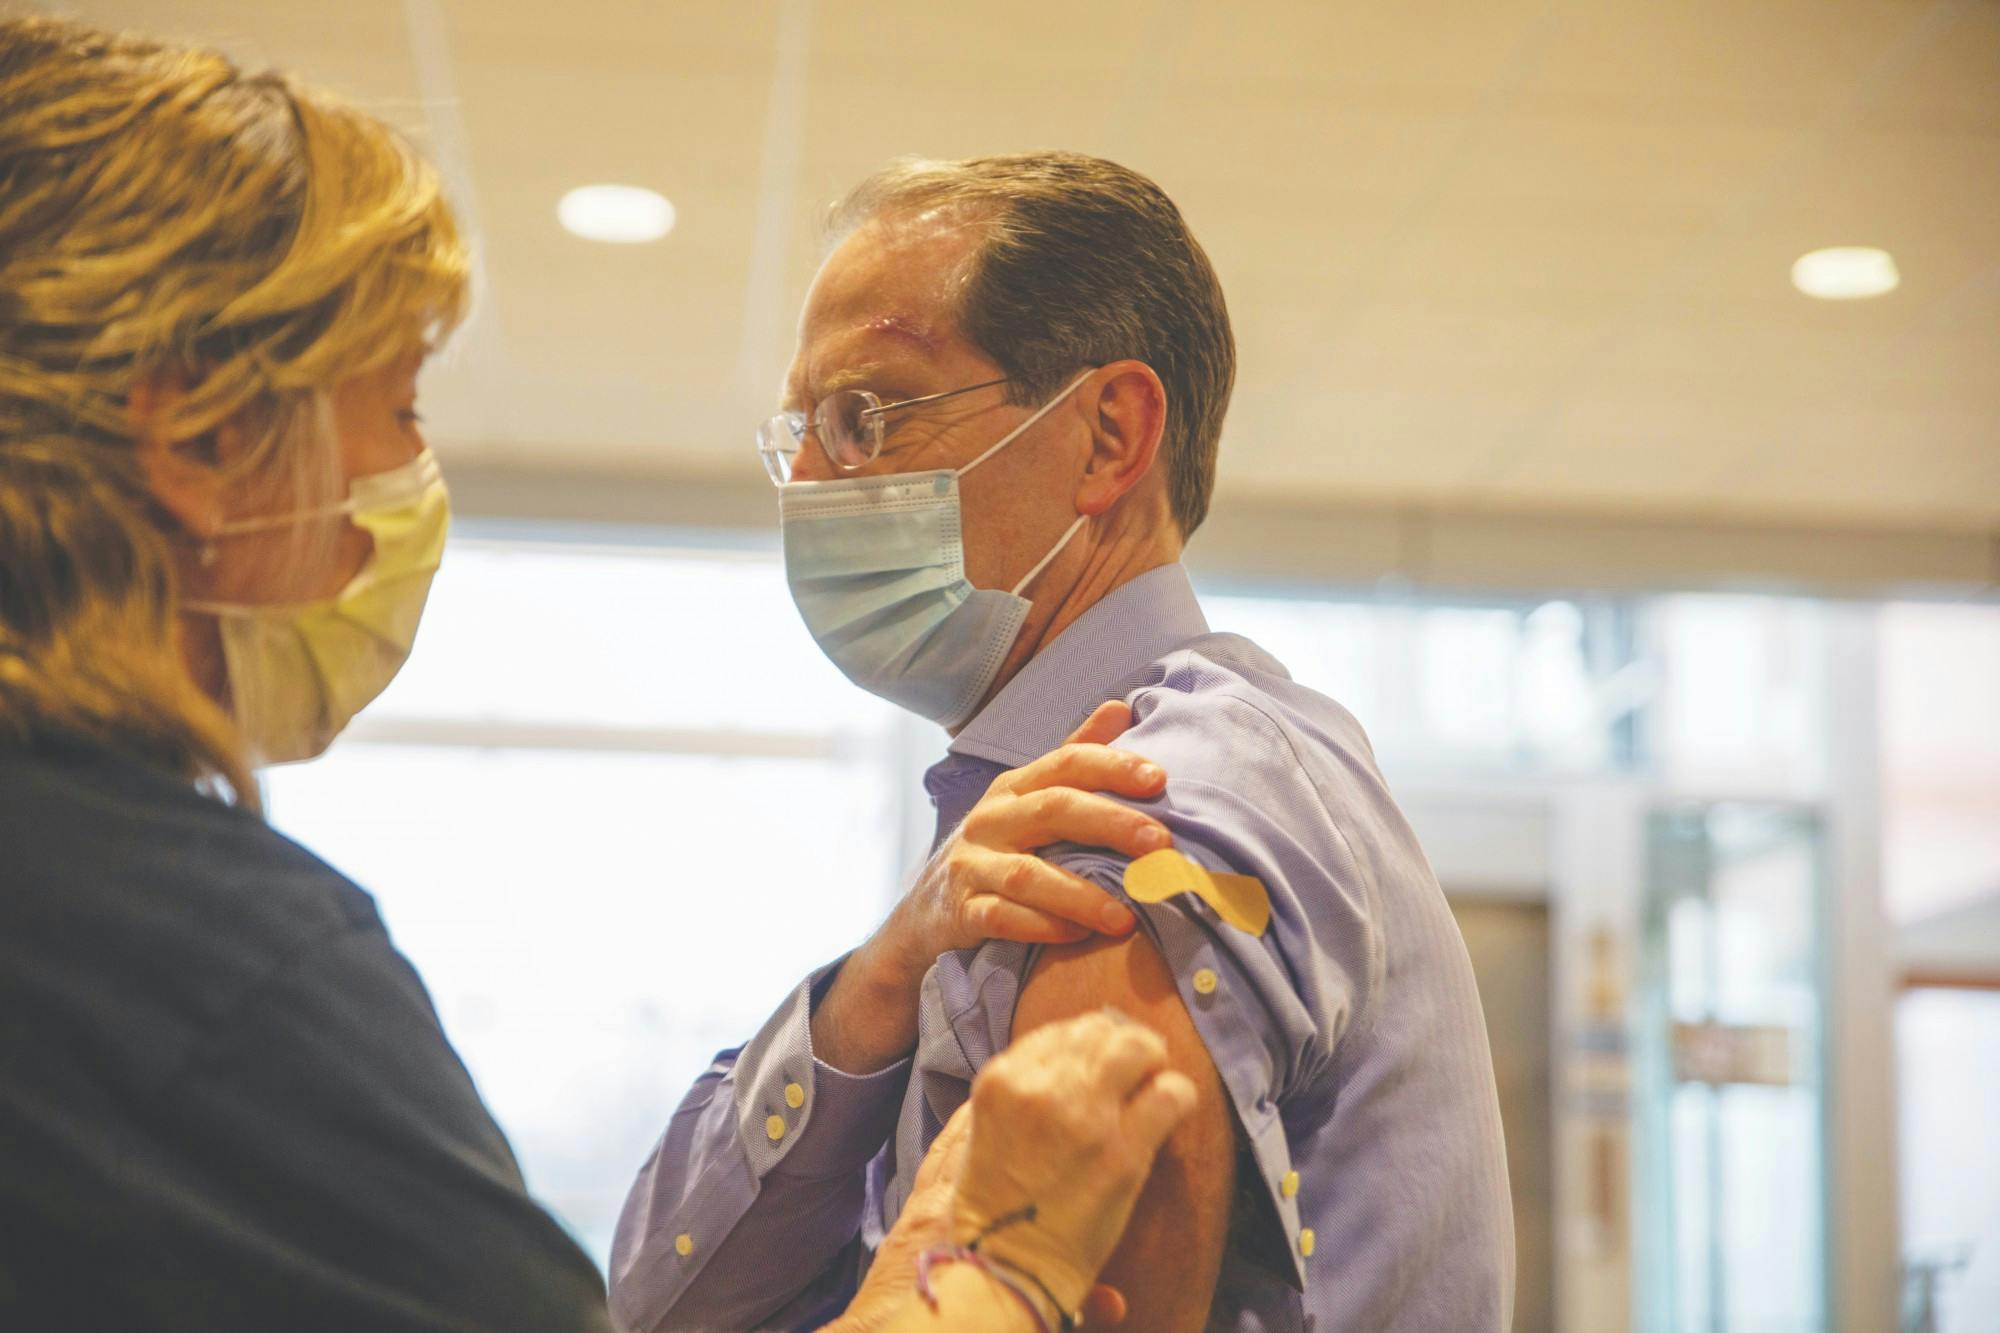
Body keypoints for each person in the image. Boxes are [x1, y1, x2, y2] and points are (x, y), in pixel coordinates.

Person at [0, 18, 1186, 1331]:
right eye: (394, 407)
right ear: (204, 429)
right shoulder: (196, 971)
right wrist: (988, 1256)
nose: (404, 486)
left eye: (870, 418)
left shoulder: (1194, 795)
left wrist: (863, 999)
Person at [612, 153, 1516, 1332]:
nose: (816, 483)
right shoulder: (1005, 830)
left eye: (866, 414)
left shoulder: (1153, 791)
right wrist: (873, 985)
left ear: (1105, 437)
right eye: (804, 433)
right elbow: (656, 1302)